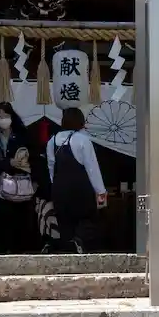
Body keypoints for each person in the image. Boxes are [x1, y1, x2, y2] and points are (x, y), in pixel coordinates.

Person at [47, 106, 107, 253]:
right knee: (86, 221)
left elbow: (51, 168)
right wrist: (100, 191)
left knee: (65, 224)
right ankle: (80, 244)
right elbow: (92, 168)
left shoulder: (52, 141)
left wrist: (56, 186)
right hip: (80, 189)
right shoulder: (82, 140)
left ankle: (69, 249)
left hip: (60, 189)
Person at [0, 103, 36, 252]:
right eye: (0, 116)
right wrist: (7, 162)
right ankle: (3, 250)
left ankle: (20, 250)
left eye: (6, 116)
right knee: (1, 218)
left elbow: (34, 156)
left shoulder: (22, 134)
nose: (3, 119)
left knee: (20, 218)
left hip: (20, 182)